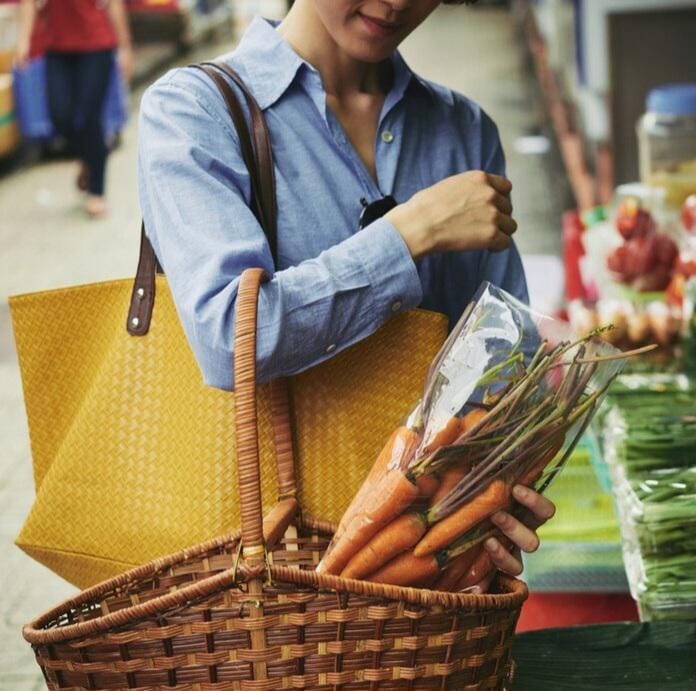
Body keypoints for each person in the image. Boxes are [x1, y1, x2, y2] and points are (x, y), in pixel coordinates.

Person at [137, 1, 546, 585]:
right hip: (263, 575)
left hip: (429, 565)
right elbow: (230, 340)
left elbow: (508, 358)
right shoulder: (195, 111)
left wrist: (499, 487)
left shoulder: (463, 129)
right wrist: (411, 233)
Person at [15, 0, 133, 218]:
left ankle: (96, 191)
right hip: (57, 48)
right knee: (59, 117)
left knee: (90, 115)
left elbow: (114, 3)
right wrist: (23, 40)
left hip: (97, 45)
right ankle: (92, 154)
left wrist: (125, 47)